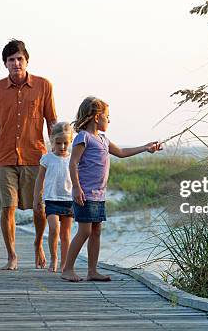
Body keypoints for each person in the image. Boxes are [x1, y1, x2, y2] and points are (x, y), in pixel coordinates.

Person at [61, 97, 161, 282]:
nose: (109, 120)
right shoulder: (83, 137)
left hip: (99, 194)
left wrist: (146, 148)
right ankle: (67, 268)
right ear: (97, 117)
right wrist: (76, 187)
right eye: (107, 116)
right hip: (85, 193)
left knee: (96, 231)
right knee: (84, 232)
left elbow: (122, 153)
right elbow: (73, 163)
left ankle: (92, 271)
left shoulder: (103, 140)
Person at [0, 39, 57, 270]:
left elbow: (51, 121)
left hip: (36, 156)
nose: (16, 63)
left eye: (19, 59)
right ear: (5, 64)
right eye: (11, 60)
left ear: (27, 61)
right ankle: (12, 255)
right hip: (5, 157)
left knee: (39, 208)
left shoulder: (44, 86)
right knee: (8, 207)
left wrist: (57, 155)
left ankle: (38, 244)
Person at [33, 122, 74, 273]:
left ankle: (65, 263)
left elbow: (78, 178)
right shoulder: (47, 159)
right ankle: (54, 258)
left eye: (66, 143)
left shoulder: (73, 159)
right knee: (54, 229)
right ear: (52, 141)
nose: (62, 147)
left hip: (69, 200)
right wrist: (36, 198)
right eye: (58, 143)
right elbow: (39, 179)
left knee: (66, 233)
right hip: (51, 199)